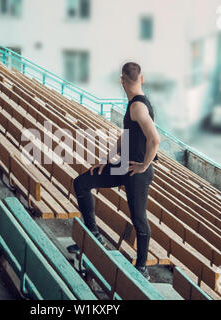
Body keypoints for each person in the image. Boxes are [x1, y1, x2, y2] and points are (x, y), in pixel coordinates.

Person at [67, 62, 160, 278]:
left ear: (122, 81)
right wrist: (106, 160)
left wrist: (144, 165)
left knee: (139, 218)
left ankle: (142, 267)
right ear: (142, 79)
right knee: (82, 182)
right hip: (124, 166)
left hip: (137, 172)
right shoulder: (133, 105)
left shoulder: (138, 106)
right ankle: (93, 233)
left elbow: (155, 140)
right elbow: (126, 136)